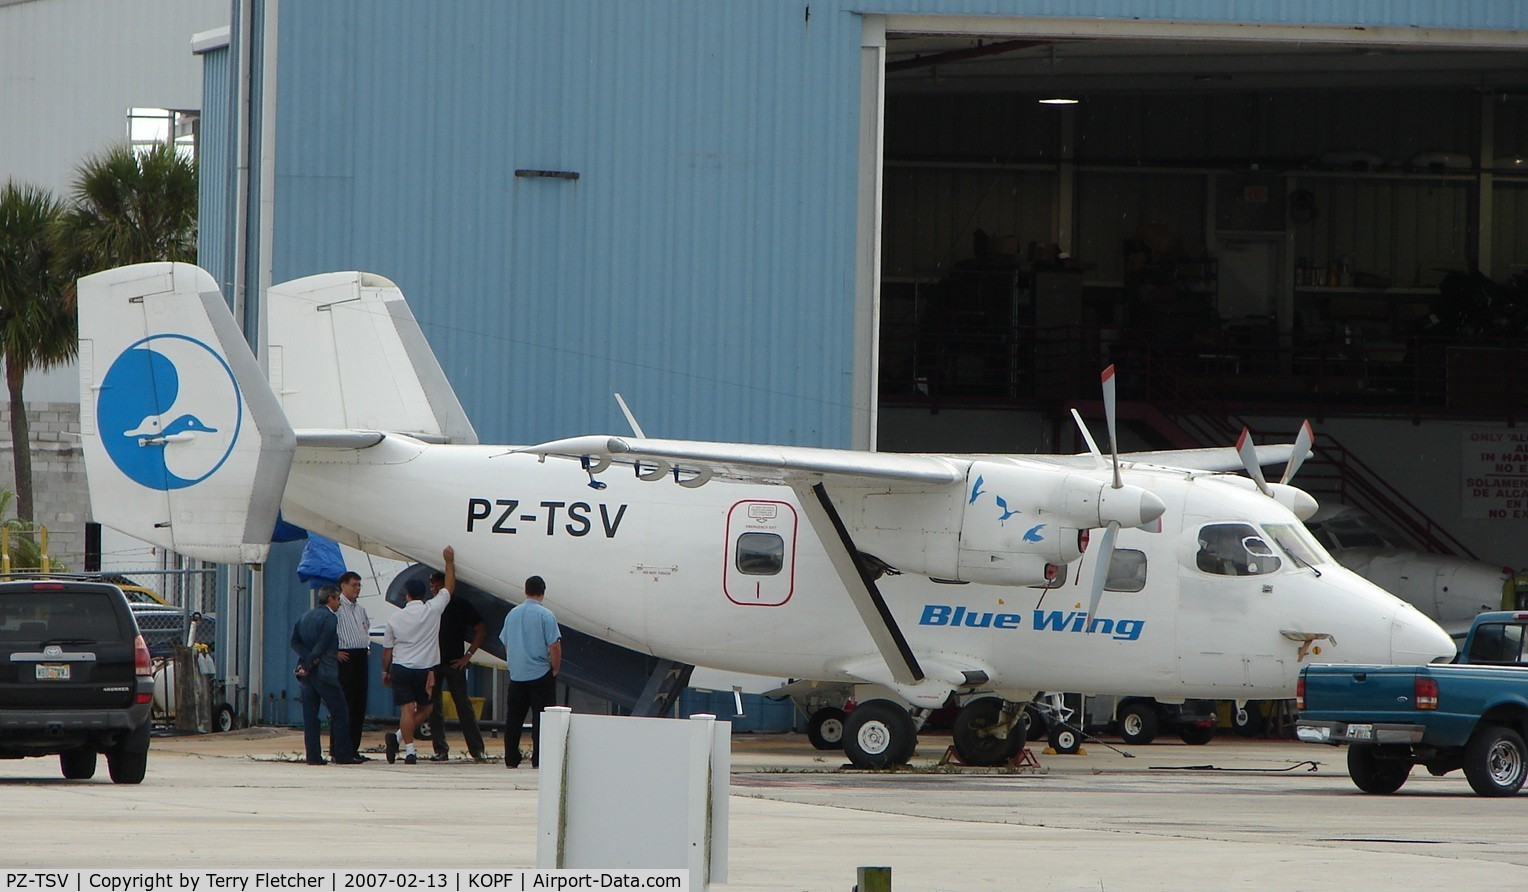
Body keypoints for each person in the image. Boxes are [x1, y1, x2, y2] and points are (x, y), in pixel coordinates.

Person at [380, 546, 455, 764]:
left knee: (406, 710)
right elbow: (449, 588)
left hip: (401, 668)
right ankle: (398, 740)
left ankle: (408, 749)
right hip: (425, 669)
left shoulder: (395, 619)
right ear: (423, 595)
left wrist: (386, 671)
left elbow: (387, 651)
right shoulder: (432, 610)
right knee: (427, 708)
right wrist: (448, 562)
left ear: (407, 595)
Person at [290, 586, 364, 765]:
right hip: (325, 672)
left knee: (310, 715)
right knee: (340, 712)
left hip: (307, 675)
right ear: (330, 599)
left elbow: (295, 642)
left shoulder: (304, 617)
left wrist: (306, 660)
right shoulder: (330, 617)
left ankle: (313, 756)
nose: (339, 603)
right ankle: (342, 754)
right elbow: (323, 644)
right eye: (338, 599)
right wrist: (311, 661)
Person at [499, 575, 561, 768]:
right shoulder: (546, 616)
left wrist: (514, 663)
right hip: (540, 673)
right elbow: (555, 646)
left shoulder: (512, 614)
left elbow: (506, 644)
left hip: (517, 675)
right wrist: (555, 669)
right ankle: (539, 759)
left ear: (525, 590)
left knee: (514, 719)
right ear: (543, 592)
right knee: (541, 719)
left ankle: (511, 758)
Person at [425, 570, 488, 761]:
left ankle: (477, 749)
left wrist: (467, 656)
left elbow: (480, 629)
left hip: (454, 663)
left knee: (463, 705)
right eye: (432, 586)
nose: (435, 589)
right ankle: (440, 749)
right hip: (434, 662)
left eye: (438, 585)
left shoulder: (461, 605)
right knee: (433, 707)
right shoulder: (430, 607)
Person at [334, 570, 371, 759]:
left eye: (359, 585)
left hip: (360, 656)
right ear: (343, 585)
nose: (357, 588)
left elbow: (366, 629)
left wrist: (367, 645)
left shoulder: (360, 609)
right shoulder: (337, 607)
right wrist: (334, 652)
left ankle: (353, 748)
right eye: (354, 585)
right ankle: (339, 748)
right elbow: (328, 631)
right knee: (344, 703)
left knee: (359, 704)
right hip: (346, 657)